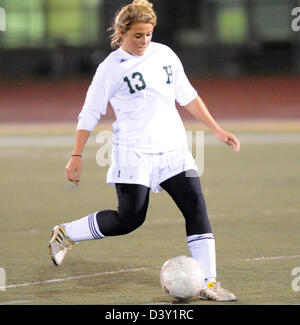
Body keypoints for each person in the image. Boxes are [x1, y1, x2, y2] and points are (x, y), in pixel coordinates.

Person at [49, 0, 240, 302]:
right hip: (133, 152)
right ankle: (67, 233)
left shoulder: (165, 54)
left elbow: (187, 95)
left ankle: (209, 283)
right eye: (138, 35)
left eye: (149, 34)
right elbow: (89, 112)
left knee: (196, 207)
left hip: (172, 149)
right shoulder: (110, 68)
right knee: (129, 219)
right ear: (121, 32)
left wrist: (216, 129)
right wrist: (76, 155)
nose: (144, 41)